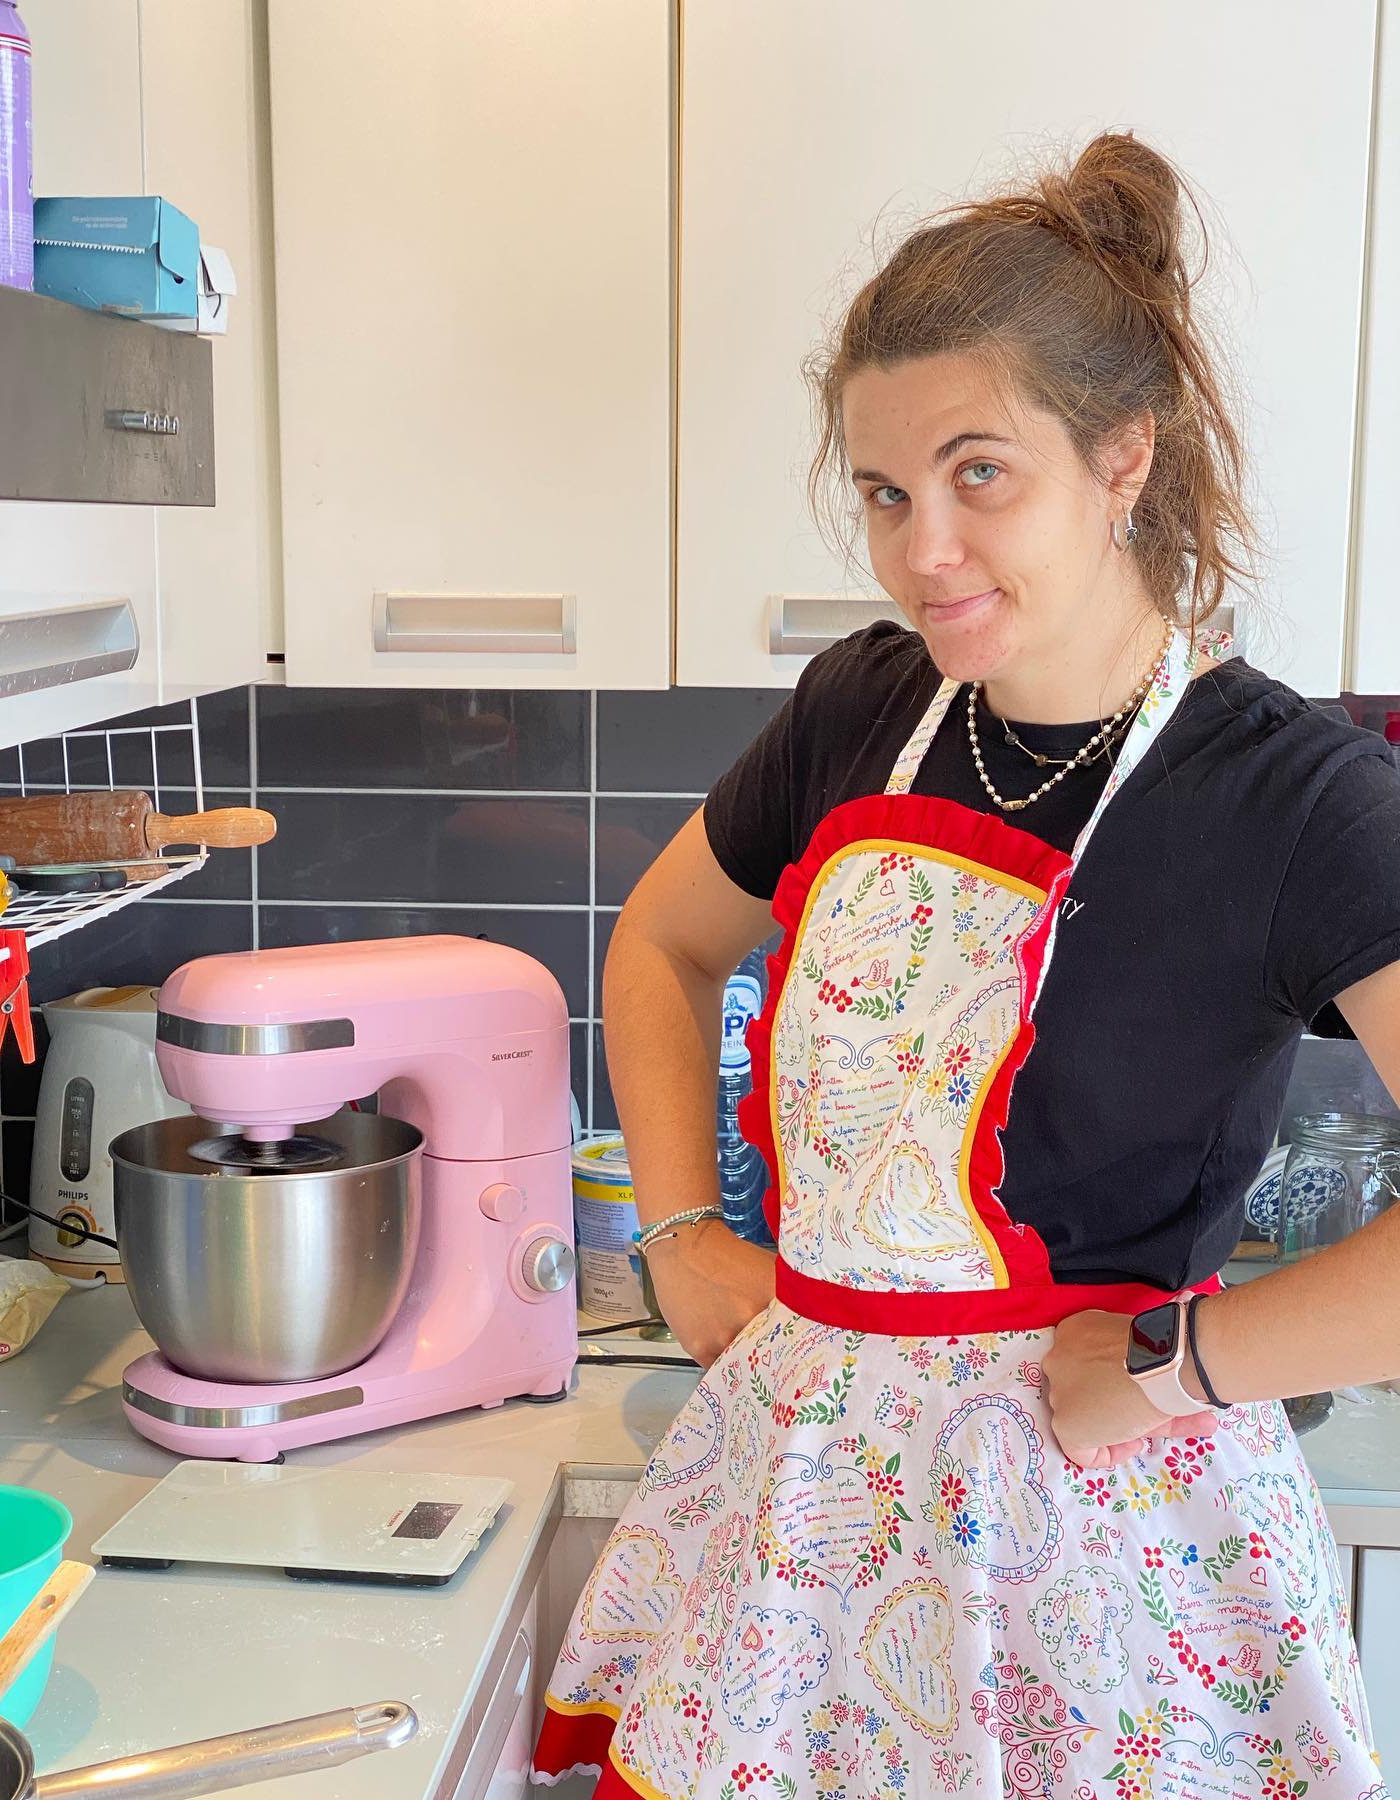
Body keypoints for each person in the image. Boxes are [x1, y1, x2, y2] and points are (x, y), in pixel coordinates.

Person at [532, 131, 1400, 1799]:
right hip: (806, 1533)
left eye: (978, 473)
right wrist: (681, 1231)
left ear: (1123, 458)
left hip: (1102, 1559)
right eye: (884, 491)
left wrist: (1189, 1363)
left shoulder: (1296, 801)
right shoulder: (862, 707)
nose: (921, 549)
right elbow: (662, 942)